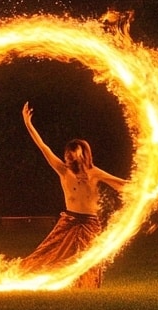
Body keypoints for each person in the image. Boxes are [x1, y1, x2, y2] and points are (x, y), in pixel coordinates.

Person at [18, 102, 128, 288]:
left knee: (87, 257)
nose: (69, 157)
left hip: (90, 223)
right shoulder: (63, 170)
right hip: (69, 220)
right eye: (67, 154)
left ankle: (85, 287)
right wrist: (28, 124)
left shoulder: (94, 173)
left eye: (73, 154)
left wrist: (148, 183)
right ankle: (26, 276)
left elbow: (121, 184)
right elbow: (43, 147)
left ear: (83, 155)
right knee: (50, 250)